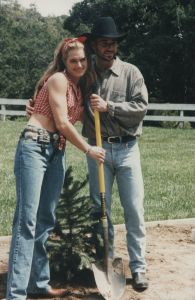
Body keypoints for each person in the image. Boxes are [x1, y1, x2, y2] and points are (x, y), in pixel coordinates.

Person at [6, 37, 105, 300]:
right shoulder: (59, 80)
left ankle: (37, 284)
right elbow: (62, 123)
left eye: (83, 60)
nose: (79, 64)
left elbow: (79, 122)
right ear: (64, 61)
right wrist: (88, 149)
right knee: (26, 221)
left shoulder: (78, 88)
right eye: (73, 60)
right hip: (35, 147)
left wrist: (99, 107)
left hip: (56, 152)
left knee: (45, 220)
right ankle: (16, 294)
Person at [80, 16, 149, 291]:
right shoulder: (85, 74)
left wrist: (109, 107)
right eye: (104, 43)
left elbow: (141, 108)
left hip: (127, 148)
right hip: (97, 149)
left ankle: (139, 267)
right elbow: (63, 97)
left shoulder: (131, 73)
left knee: (133, 209)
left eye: (113, 44)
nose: (110, 48)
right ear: (94, 45)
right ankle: (106, 263)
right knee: (100, 210)